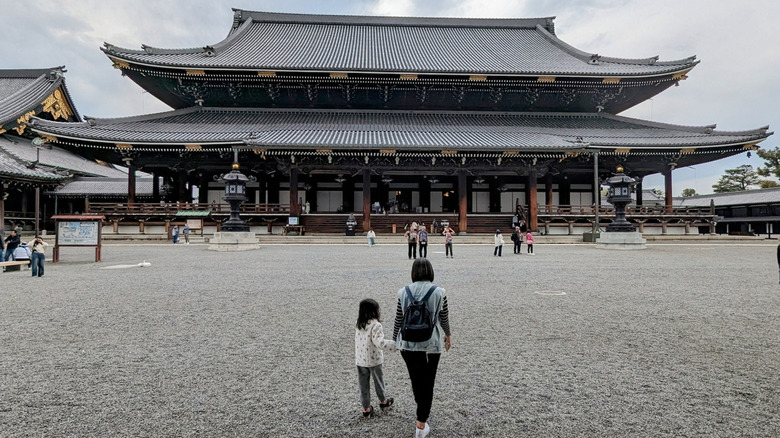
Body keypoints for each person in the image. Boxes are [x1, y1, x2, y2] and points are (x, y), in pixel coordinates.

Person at [393, 258, 452, 438]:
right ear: (431, 272)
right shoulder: (439, 292)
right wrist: (448, 335)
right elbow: (444, 318)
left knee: (416, 380)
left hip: (408, 344)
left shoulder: (403, 292)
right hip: (430, 345)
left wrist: (396, 339)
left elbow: (399, 319)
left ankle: (421, 410)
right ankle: (421, 424)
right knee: (428, 382)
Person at [355, 299, 396, 418]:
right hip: (374, 360)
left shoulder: (358, 323)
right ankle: (383, 401)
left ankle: (366, 408)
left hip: (360, 360)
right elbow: (380, 343)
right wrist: (395, 345)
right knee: (378, 381)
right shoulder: (376, 325)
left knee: (363, 384)